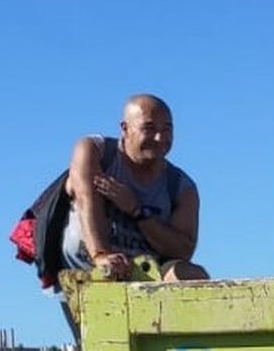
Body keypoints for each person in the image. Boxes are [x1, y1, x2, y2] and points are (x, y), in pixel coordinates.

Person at [61, 94, 206, 286]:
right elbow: (85, 198)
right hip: (87, 273)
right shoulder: (97, 152)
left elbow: (183, 250)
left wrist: (138, 212)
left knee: (190, 274)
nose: (160, 137)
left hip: (146, 276)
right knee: (103, 273)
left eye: (167, 129)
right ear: (125, 128)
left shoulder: (181, 187)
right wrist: (100, 254)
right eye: (149, 128)